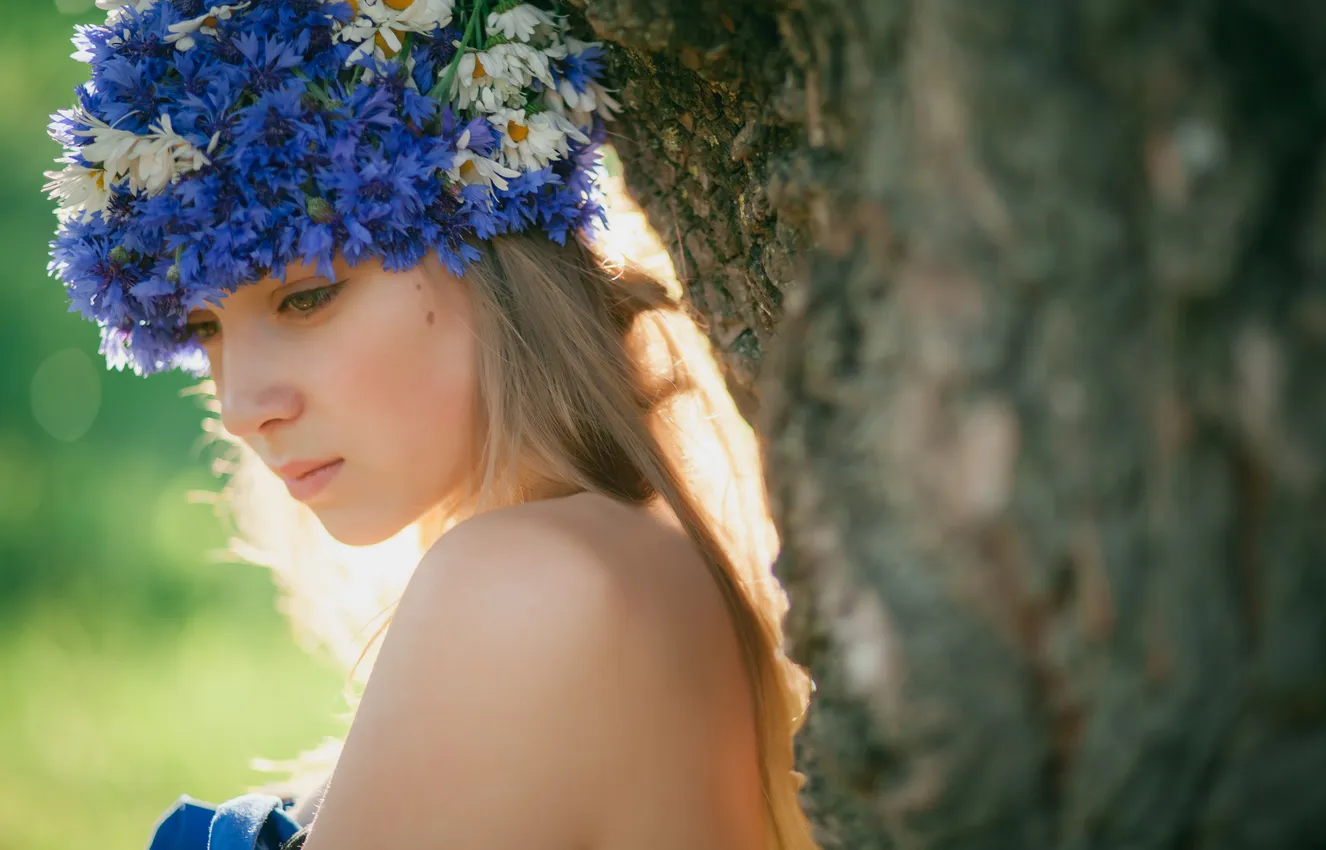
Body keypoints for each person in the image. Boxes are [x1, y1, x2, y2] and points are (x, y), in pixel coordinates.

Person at [46, 1, 818, 848]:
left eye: (305, 297)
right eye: (204, 330)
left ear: (485, 243)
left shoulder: (525, 582)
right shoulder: (629, 554)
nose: (238, 406)